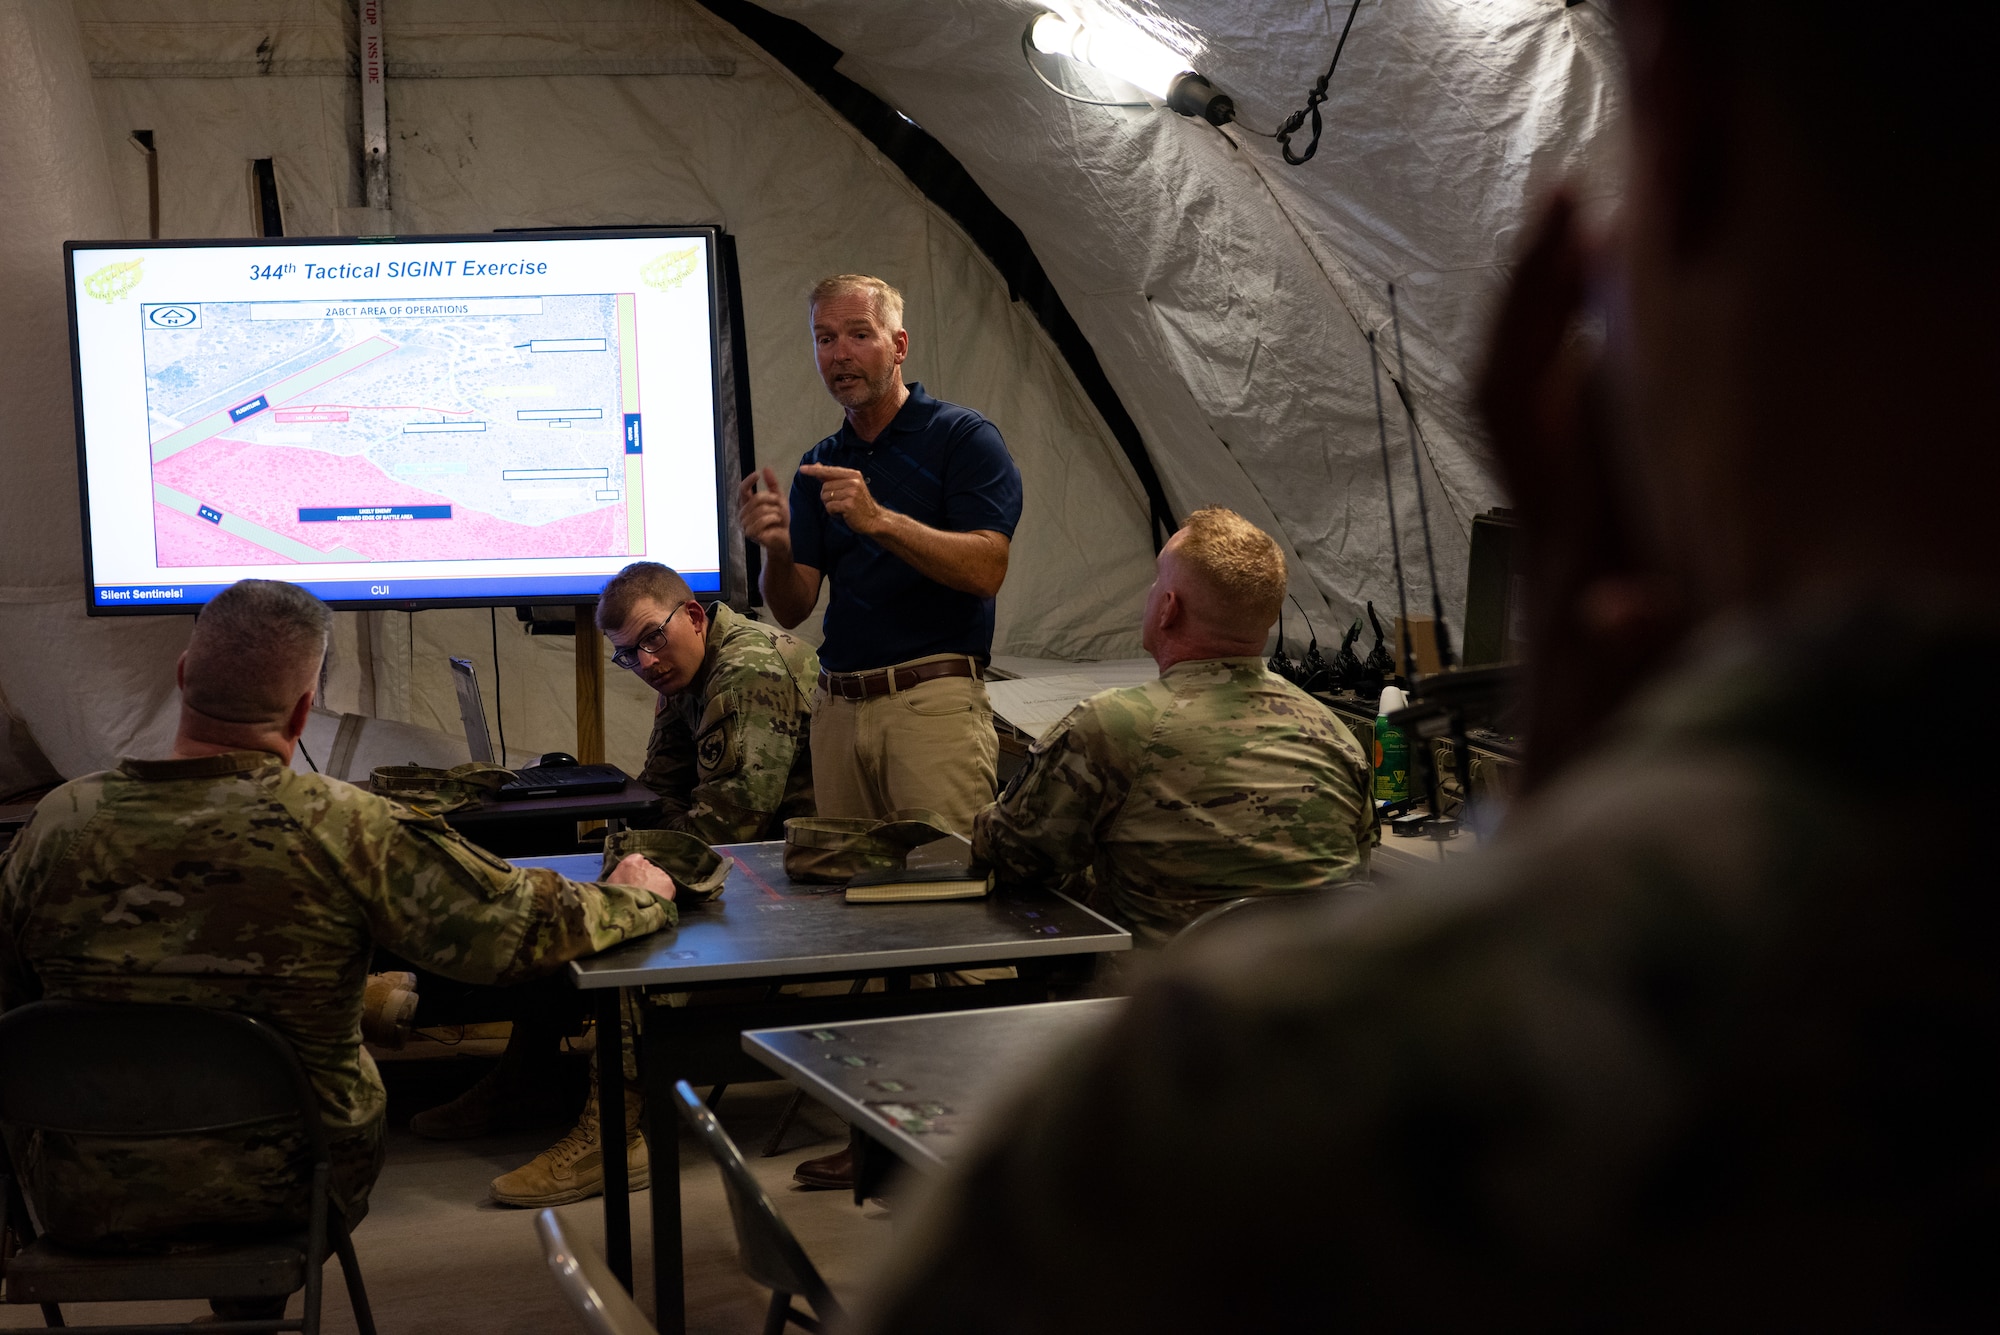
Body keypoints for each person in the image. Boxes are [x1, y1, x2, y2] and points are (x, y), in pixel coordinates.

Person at [846, 0, 2000, 1329]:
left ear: (1681, 167)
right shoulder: (1339, 747)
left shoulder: (1245, 1115)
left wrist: (1561, 868)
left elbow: (1020, 870)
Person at [0, 581, 676, 1288]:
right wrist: (629, 896)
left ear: (181, 677)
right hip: (287, 1185)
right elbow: (509, 932)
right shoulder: (345, 826)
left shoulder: (57, 823)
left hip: (80, 1194)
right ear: (302, 707)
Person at [473, 560, 818, 1207]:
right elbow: (659, 787)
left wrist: (632, 871)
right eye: (628, 654)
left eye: (652, 639)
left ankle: (614, 1134)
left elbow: (730, 826)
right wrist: (618, 855)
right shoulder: (690, 667)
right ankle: (524, 1080)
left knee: (631, 924)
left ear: (692, 615)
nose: (646, 660)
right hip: (743, 866)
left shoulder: (747, 670)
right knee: (568, 893)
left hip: (788, 884)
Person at [974, 506, 1373, 947]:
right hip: (1316, 1004)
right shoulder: (1335, 735)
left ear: (1168, 608)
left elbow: (1005, 852)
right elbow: (1356, 875)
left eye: (1155, 584)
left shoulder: (1111, 726)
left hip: (1163, 1006)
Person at [738, 273, 1023, 835]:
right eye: (824, 339)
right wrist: (775, 551)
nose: (840, 354)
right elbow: (793, 609)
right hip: (837, 709)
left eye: (858, 335)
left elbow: (988, 569)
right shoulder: (821, 461)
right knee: (848, 893)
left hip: (930, 706)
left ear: (899, 345)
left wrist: (880, 521)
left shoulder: (961, 437)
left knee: (947, 894)